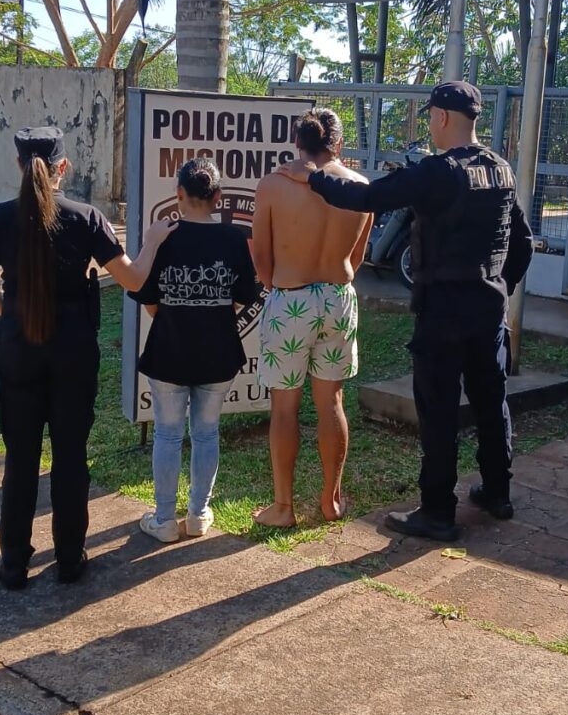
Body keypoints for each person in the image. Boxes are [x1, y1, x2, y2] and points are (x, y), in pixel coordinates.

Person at [281, 83, 533, 542]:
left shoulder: (438, 172)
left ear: (440, 117)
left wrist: (313, 178)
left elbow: (367, 198)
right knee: (491, 402)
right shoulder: (500, 169)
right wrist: (501, 287)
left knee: (438, 412)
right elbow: (522, 242)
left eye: (430, 116)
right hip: (487, 310)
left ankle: (437, 511)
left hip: (443, 313)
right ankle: (498, 492)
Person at [0, 125, 173, 589]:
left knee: (19, 460)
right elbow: (135, 281)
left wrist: (18, 313)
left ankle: (14, 563)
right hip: (74, 356)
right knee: (71, 457)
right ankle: (68, 559)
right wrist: (154, 241)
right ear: (65, 167)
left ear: (20, 166)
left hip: (18, 352)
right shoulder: (87, 218)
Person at [251, 108, 373, 527]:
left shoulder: (272, 186)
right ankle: (330, 499)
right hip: (339, 297)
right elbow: (356, 259)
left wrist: (279, 282)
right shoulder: (360, 186)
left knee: (284, 408)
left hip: (290, 300)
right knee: (331, 402)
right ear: (337, 144)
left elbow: (261, 262)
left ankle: (283, 507)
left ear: (296, 144)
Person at [132, 158, 258, 544]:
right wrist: (212, 313)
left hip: (168, 348)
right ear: (218, 197)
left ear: (179, 195)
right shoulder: (235, 238)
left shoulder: (162, 236)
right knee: (207, 434)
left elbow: (146, 295)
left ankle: (165, 519)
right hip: (219, 350)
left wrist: (176, 313)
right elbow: (243, 298)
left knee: (168, 436)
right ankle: (199, 514)